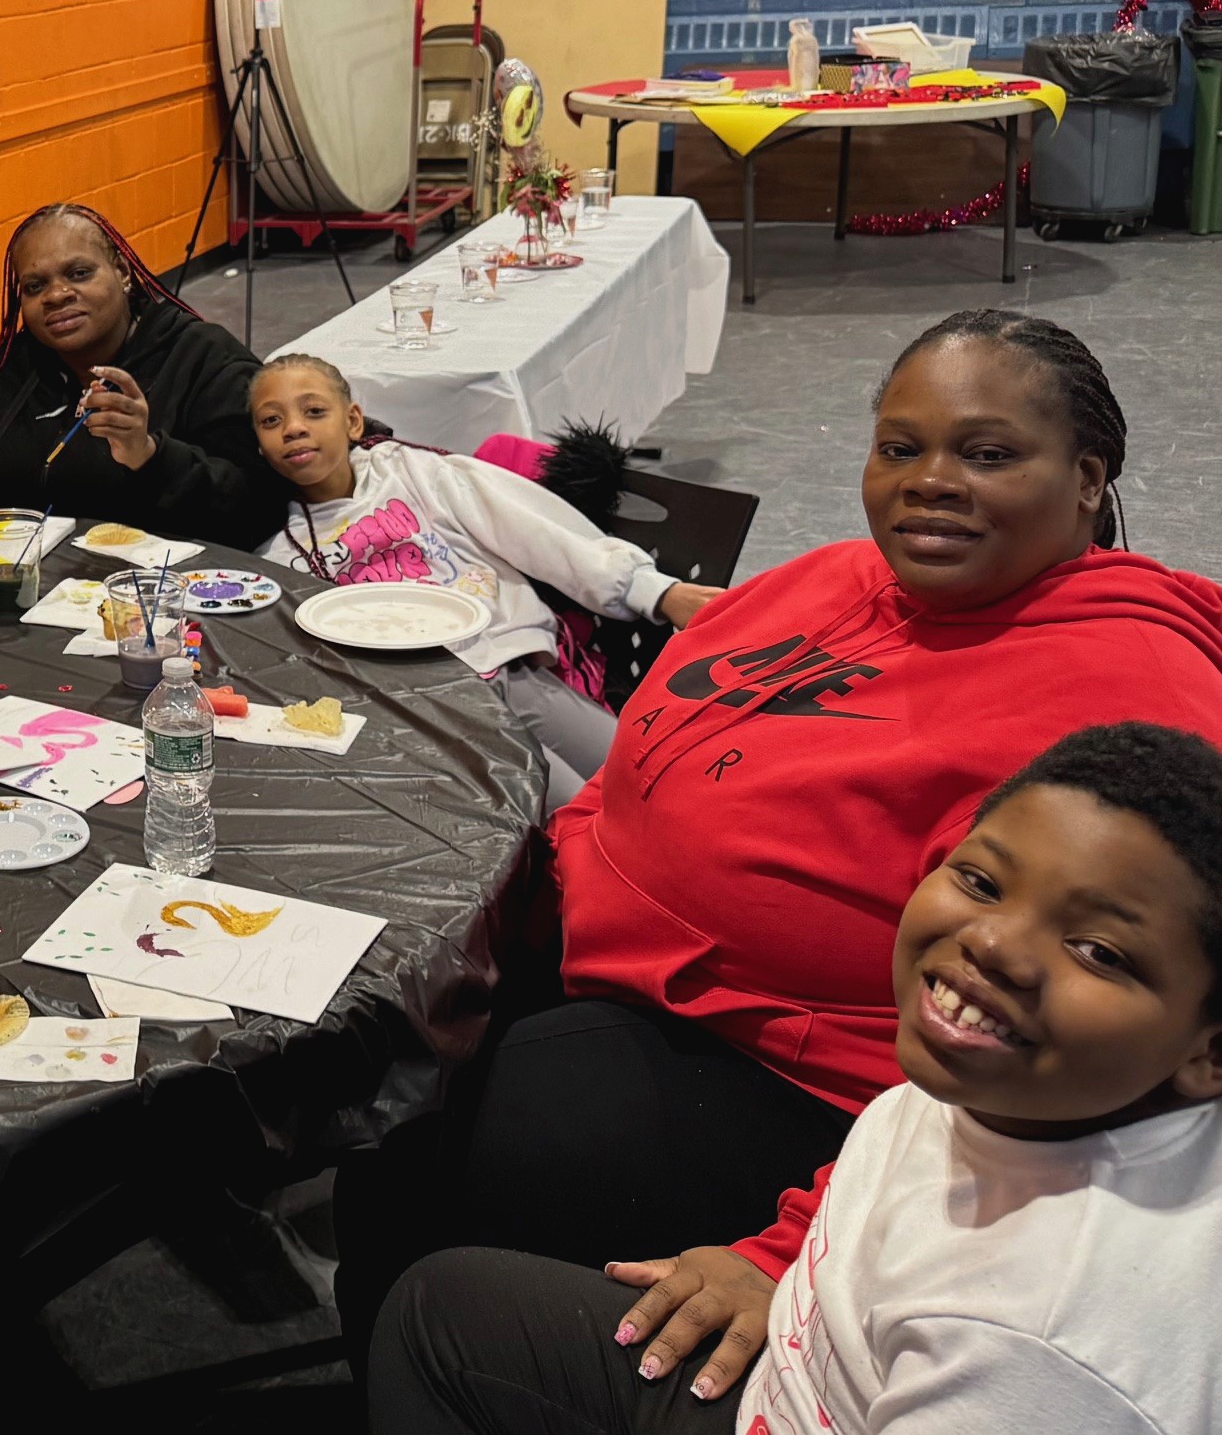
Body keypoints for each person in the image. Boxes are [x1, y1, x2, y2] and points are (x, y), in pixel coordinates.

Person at [334, 309, 1222, 1362]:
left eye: (987, 454)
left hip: (800, 1086)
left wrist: (802, 1245)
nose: (930, 480)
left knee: (426, 1174)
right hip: (592, 955)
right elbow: (636, 771)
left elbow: (1109, 1077)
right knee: (371, 1065)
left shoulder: (1121, 707)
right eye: (901, 447)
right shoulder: (837, 579)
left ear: (1086, 478)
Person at [370, 721, 1222, 1431]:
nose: (993, 944)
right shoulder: (1020, 1088)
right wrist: (785, 1259)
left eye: (1099, 952)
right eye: (980, 879)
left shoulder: (1038, 1354)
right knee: (439, 1310)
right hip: (805, 1370)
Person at [248, 355, 717, 804]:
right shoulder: (278, 551)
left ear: (352, 420)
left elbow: (535, 530)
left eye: (314, 411)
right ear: (258, 444)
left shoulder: (417, 471)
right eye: (271, 421)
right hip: (438, 713)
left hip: (513, 670)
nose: (294, 428)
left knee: (656, 774)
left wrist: (655, 591)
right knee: (576, 812)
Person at [0, 204, 285, 549]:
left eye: (79, 274)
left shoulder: (204, 358)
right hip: (18, 592)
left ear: (123, 273)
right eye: (35, 287)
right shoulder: (7, 374)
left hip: (162, 595)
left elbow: (259, 509)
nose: (57, 295)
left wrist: (152, 457)